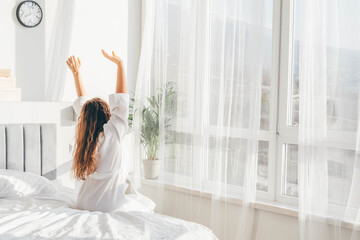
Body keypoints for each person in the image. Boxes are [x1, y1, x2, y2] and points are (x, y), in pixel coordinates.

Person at [66, 50, 155, 212]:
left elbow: (83, 105)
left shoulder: (87, 139)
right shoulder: (112, 134)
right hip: (107, 205)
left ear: (85, 119)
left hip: (84, 202)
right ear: (107, 115)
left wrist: (76, 74)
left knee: (140, 202)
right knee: (147, 206)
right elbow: (121, 104)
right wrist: (120, 65)